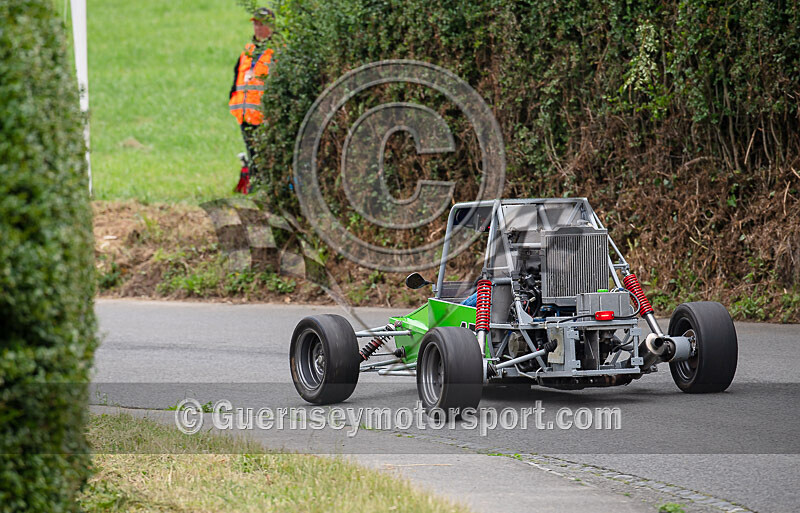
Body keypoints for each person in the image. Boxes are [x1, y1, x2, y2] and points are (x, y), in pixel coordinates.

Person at [229, 7, 275, 194]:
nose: (257, 27)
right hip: (245, 115)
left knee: (267, 156)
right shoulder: (248, 50)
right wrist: (233, 101)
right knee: (253, 154)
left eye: (261, 23)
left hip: (266, 117)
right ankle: (255, 186)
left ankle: (266, 189)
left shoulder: (278, 51)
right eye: (255, 23)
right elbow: (236, 80)